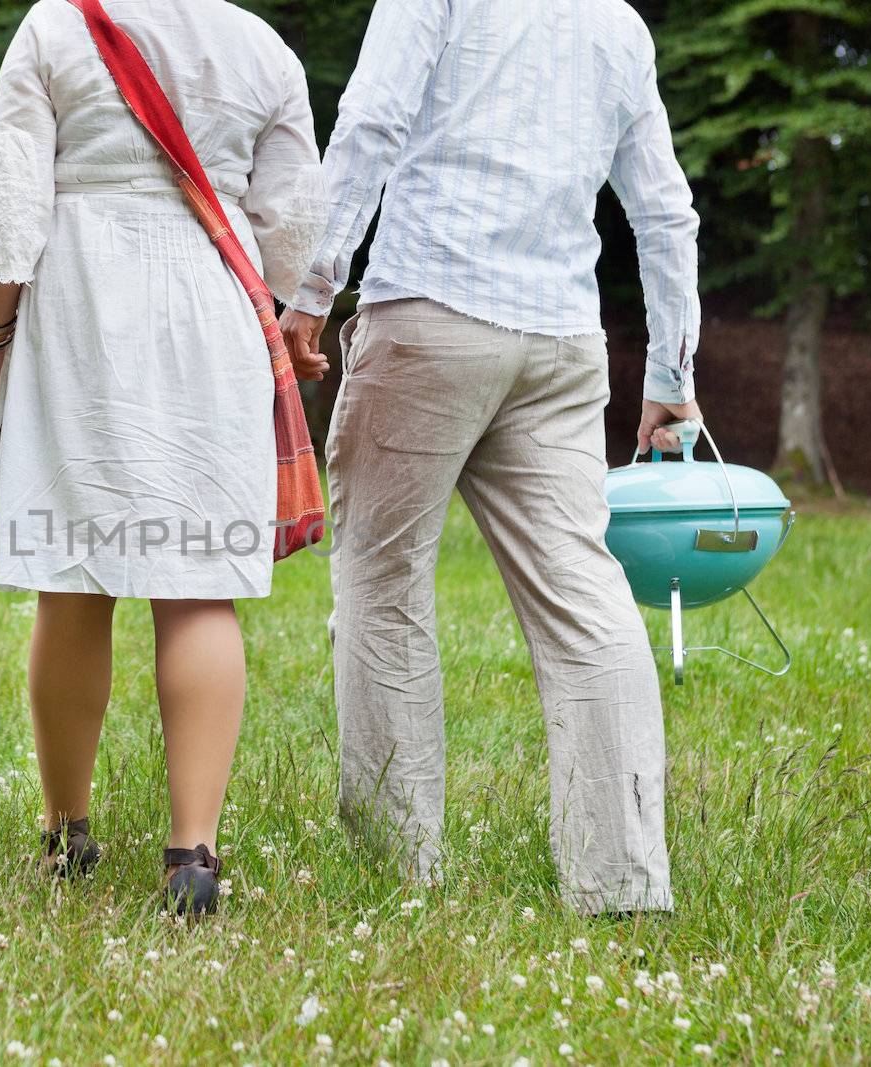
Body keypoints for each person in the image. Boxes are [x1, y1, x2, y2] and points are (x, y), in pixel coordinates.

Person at [279, 0, 702, 915]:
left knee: (384, 584)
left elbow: (372, 121)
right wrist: (671, 368)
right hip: (558, 342)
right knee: (586, 600)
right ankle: (624, 883)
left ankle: (398, 869)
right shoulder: (618, 23)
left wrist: (313, 285)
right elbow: (666, 211)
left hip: (431, 308)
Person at [0, 0, 324, 916]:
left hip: (81, 299)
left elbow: (6, 201)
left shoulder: (55, 24)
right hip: (212, 299)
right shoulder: (259, 44)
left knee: (74, 579)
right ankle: (192, 849)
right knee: (199, 585)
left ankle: (67, 832)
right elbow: (294, 223)